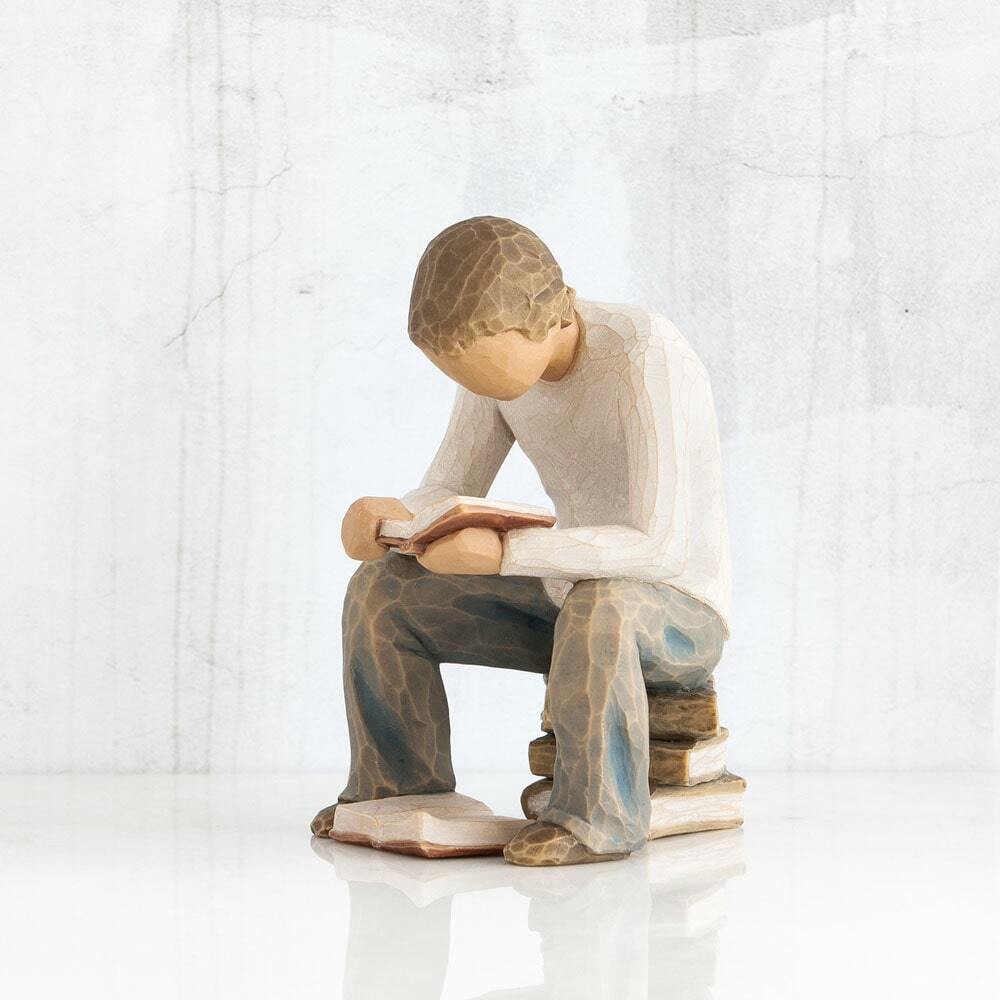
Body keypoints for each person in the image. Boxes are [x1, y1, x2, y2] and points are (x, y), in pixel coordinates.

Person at [311, 216, 732, 866]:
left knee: (606, 605)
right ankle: (396, 785)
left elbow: (660, 545)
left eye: (482, 367)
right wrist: (392, 518)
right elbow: (451, 482)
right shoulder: (497, 370)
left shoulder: (646, 354)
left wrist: (508, 554)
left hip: (675, 615)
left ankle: (596, 818)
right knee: (385, 592)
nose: (477, 387)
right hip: (567, 603)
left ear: (547, 317)